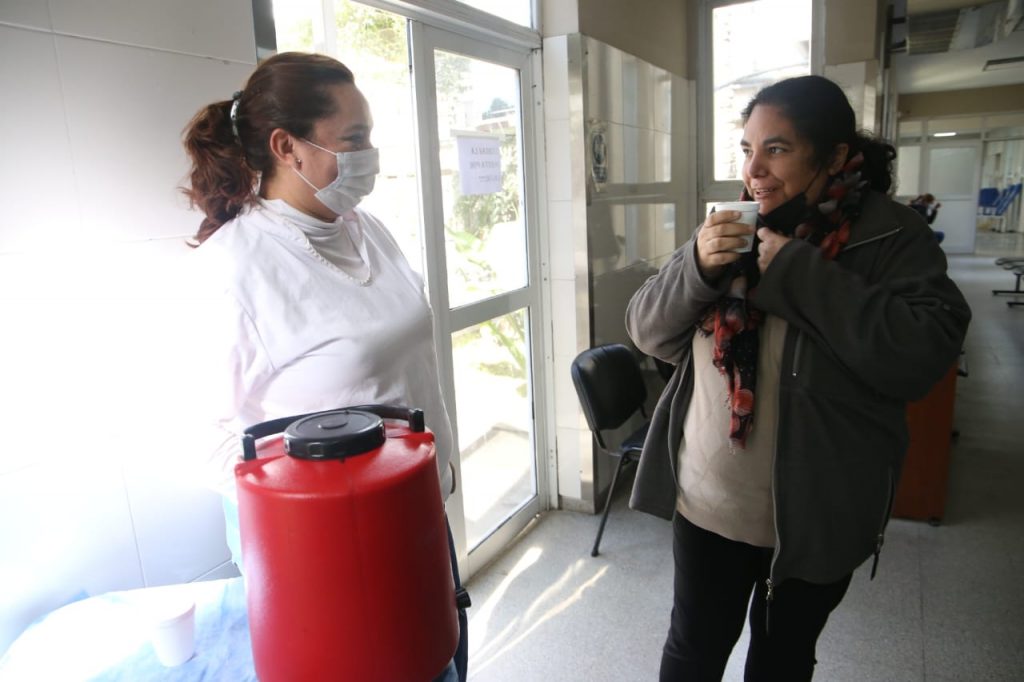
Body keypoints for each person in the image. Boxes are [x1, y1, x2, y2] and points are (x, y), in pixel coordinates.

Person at [625, 75, 971, 681]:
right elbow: (647, 331)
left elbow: (921, 355)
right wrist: (696, 265)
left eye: (777, 149)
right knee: (692, 649)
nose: (754, 169)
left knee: (782, 659)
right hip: (710, 501)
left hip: (819, 513)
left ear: (834, 156)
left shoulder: (892, 235)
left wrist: (801, 273)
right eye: (747, 149)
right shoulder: (731, 223)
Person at [180, 52, 467, 682]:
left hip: (416, 514)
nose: (371, 155)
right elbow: (191, 436)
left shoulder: (366, 229)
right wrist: (316, 521)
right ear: (289, 148)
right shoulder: (235, 267)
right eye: (354, 139)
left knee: (440, 662)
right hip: (328, 556)